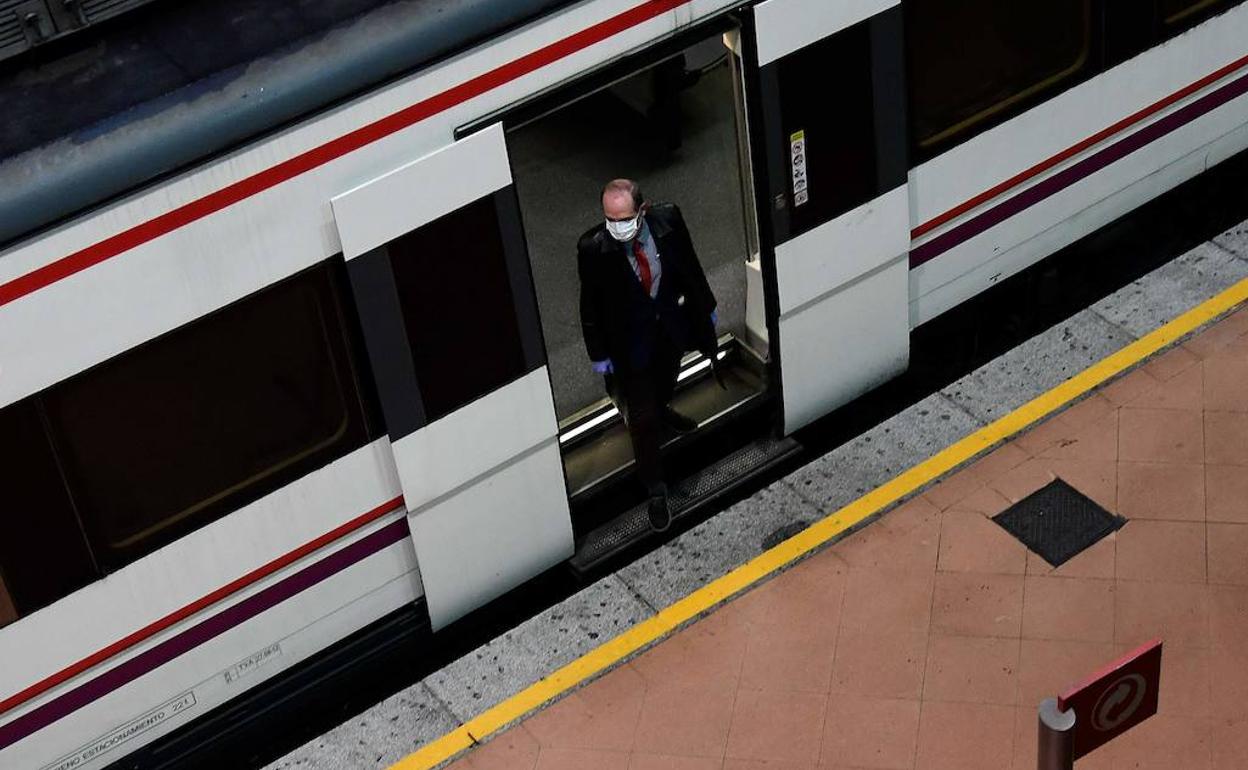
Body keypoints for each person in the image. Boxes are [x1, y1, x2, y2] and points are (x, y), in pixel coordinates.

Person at [577, 179, 719, 532]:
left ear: (643, 210)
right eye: (610, 219)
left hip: (669, 327)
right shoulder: (593, 249)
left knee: (667, 378)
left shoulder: (668, 220)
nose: (617, 227)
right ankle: (656, 489)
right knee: (642, 419)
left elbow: (689, 264)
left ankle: (663, 408)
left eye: (624, 218)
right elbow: (590, 306)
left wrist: (706, 307)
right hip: (629, 343)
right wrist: (599, 353)